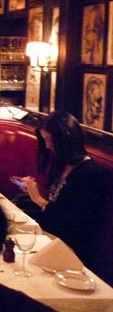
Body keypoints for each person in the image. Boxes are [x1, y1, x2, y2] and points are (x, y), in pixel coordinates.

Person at [15, 111, 113, 283]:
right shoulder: (61, 164)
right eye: (44, 140)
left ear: (66, 140)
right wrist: (34, 191)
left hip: (68, 248)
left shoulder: (90, 174)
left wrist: (39, 199)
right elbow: (60, 202)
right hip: (50, 235)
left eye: (50, 140)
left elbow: (72, 224)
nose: (47, 146)